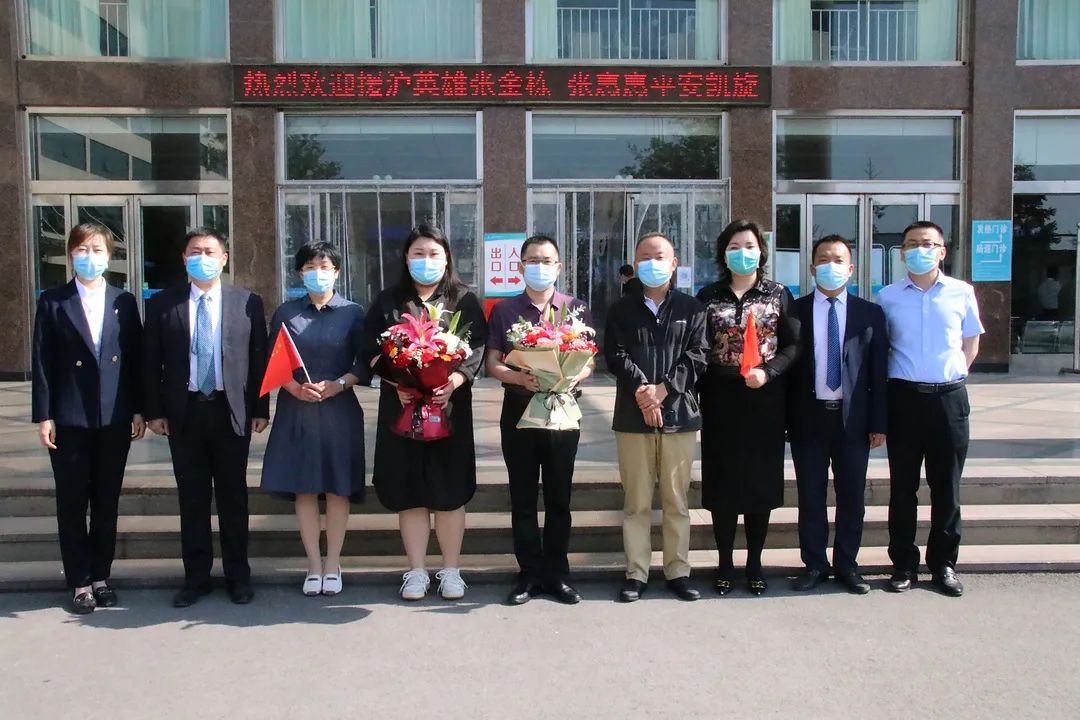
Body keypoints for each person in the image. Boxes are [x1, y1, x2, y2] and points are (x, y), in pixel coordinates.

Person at [143, 227, 269, 608]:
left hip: (231, 412)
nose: (202, 257)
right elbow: (150, 362)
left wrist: (260, 408)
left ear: (224, 258)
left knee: (233, 499)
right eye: (195, 251)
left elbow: (258, 359)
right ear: (184, 259)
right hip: (184, 413)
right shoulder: (162, 304)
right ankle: (195, 579)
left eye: (210, 251)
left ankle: (238, 577)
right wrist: (153, 411)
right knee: (192, 500)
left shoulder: (247, 302)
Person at [364, 224, 487, 602]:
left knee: (449, 491)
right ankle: (416, 571)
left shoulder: (464, 300)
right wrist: (396, 383)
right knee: (410, 492)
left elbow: (476, 349)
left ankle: (451, 570)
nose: (426, 260)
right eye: (418, 253)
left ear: (447, 258)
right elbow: (371, 351)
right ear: (406, 258)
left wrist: (455, 381)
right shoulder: (389, 301)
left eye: (434, 253)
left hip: (448, 409)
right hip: (401, 411)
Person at [31, 223, 145, 614]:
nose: (89, 256)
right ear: (70, 254)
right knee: (72, 501)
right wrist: (44, 415)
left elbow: (134, 359)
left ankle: (101, 577)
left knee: (106, 500)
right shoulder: (53, 301)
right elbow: (42, 361)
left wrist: (137, 408)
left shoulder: (123, 301)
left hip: (114, 416)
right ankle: (80, 581)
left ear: (109, 256)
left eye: (97, 249)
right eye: (82, 249)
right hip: (69, 416)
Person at [485, 235, 592, 606]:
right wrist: (518, 377)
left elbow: (589, 360)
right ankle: (529, 573)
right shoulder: (505, 311)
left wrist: (574, 376)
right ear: (520, 267)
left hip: (562, 411)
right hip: (519, 412)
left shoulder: (575, 308)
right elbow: (493, 362)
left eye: (547, 261)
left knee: (560, 497)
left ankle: (557, 574)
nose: (540, 267)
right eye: (533, 260)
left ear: (559, 267)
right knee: (523, 497)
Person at [879, 220, 983, 598]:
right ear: (902, 253)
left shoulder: (961, 292)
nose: (919, 249)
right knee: (902, 489)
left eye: (927, 243)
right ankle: (903, 564)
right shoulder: (887, 297)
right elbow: (883, 347)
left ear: (942, 251)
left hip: (949, 400)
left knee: (946, 488)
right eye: (911, 244)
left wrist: (954, 375)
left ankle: (943, 564)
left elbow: (970, 342)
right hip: (904, 399)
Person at [696, 220, 799, 596]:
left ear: (761, 252)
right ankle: (725, 564)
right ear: (723, 254)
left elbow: (793, 346)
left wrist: (768, 373)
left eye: (750, 246)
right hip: (720, 399)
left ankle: (754, 563)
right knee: (723, 485)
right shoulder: (708, 295)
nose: (743, 253)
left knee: (759, 484)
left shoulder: (778, 294)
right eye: (734, 247)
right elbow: (697, 346)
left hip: (764, 400)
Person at [605, 232, 708, 603]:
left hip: (680, 416)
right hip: (632, 418)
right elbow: (615, 355)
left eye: (659, 256)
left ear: (674, 263)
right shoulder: (621, 310)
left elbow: (698, 356)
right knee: (637, 502)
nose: (652, 262)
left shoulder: (692, 309)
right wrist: (644, 392)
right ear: (635, 264)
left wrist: (664, 390)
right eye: (645, 256)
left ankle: (678, 570)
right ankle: (636, 572)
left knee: (676, 500)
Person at [260, 242, 367, 597]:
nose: (317, 272)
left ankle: (333, 562)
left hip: (339, 411)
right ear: (300, 272)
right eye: (309, 266)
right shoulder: (287, 312)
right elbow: (272, 359)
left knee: (338, 488)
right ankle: (314, 564)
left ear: (337, 272)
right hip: (297, 411)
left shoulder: (353, 313)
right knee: (304, 488)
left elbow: (364, 363)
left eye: (324, 266)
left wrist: (340, 384)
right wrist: (292, 387)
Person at [788, 235, 887, 595]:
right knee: (810, 496)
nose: (831, 266)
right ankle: (814, 564)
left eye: (838, 260)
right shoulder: (794, 312)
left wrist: (879, 423)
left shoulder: (869, 313)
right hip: (808, 418)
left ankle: (847, 564)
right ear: (812, 267)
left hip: (853, 421)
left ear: (851, 268)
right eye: (823, 260)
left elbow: (879, 373)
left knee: (852, 497)